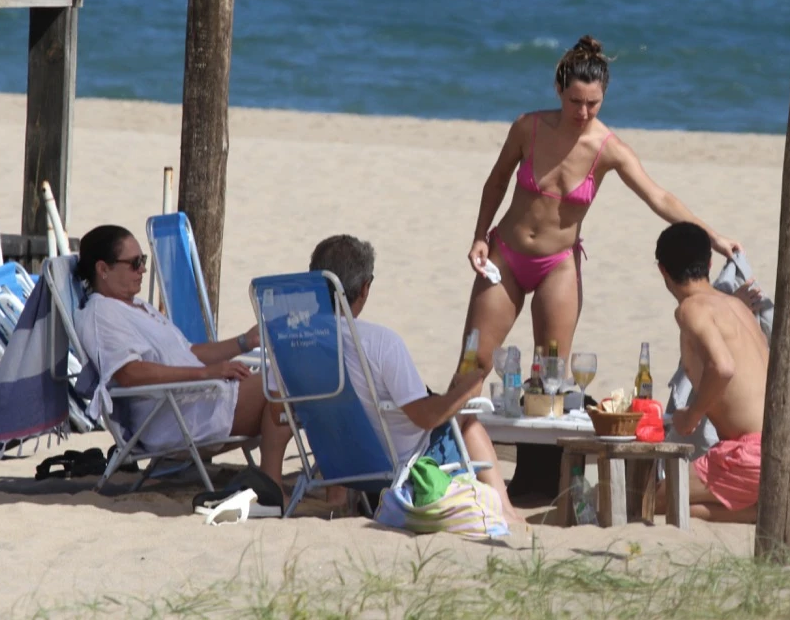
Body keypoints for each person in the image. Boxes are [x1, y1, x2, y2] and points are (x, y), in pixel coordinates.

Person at [463, 35, 741, 374]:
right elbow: (496, 181)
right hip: (505, 256)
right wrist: (479, 236)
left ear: (604, 96)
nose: (582, 112)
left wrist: (714, 237)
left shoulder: (609, 149)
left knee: (550, 377)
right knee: (472, 364)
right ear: (558, 89)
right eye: (575, 101)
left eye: (593, 103)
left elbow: (659, 197)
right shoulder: (528, 127)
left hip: (558, 266)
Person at [306, 234, 522, 523]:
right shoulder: (380, 343)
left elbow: (279, 410)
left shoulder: (298, 342)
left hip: (340, 463)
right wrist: (463, 394)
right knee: (468, 420)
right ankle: (507, 512)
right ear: (364, 289)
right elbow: (425, 418)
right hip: (398, 463)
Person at [73, 224, 291, 490]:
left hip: (195, 398)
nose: (142, 269)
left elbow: (186, 352)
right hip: (173, 416)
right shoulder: (102, 314)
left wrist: (244, 341)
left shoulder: (136, 305)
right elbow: (129, 373)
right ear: (103, 269)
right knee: (285, 385)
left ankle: (288, 485)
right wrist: (207, 373)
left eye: (143, 261)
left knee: (292, 382)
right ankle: (272, 487)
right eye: (134, 263)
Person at [654, 222, 790, 527]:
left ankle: (774, 513)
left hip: (750, 453)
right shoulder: (737, 305)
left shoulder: (691, 308)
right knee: (668, 499)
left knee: (654, 501)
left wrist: (692, 415)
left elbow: (724, 368)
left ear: (662, 271)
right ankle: (776, 504)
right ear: (708, 263)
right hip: (783, 444)